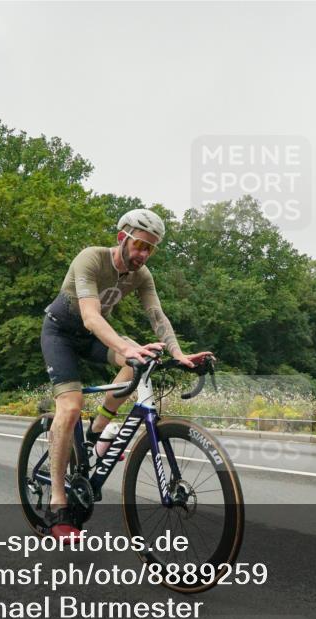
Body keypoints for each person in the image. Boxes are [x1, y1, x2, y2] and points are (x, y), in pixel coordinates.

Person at [40, 209, 212, 540]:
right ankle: (58, 503)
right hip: (60, 333)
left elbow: (157, 315)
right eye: (140, 246)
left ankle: (97, 431)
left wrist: (178, 354)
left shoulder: (142, 275)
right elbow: (90, 317)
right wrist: (125, 346)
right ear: (123, 238)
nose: (144, 254)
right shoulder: (90, 259)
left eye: (151, 249)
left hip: (92, 337)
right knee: (71, 406)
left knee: (139, 358)